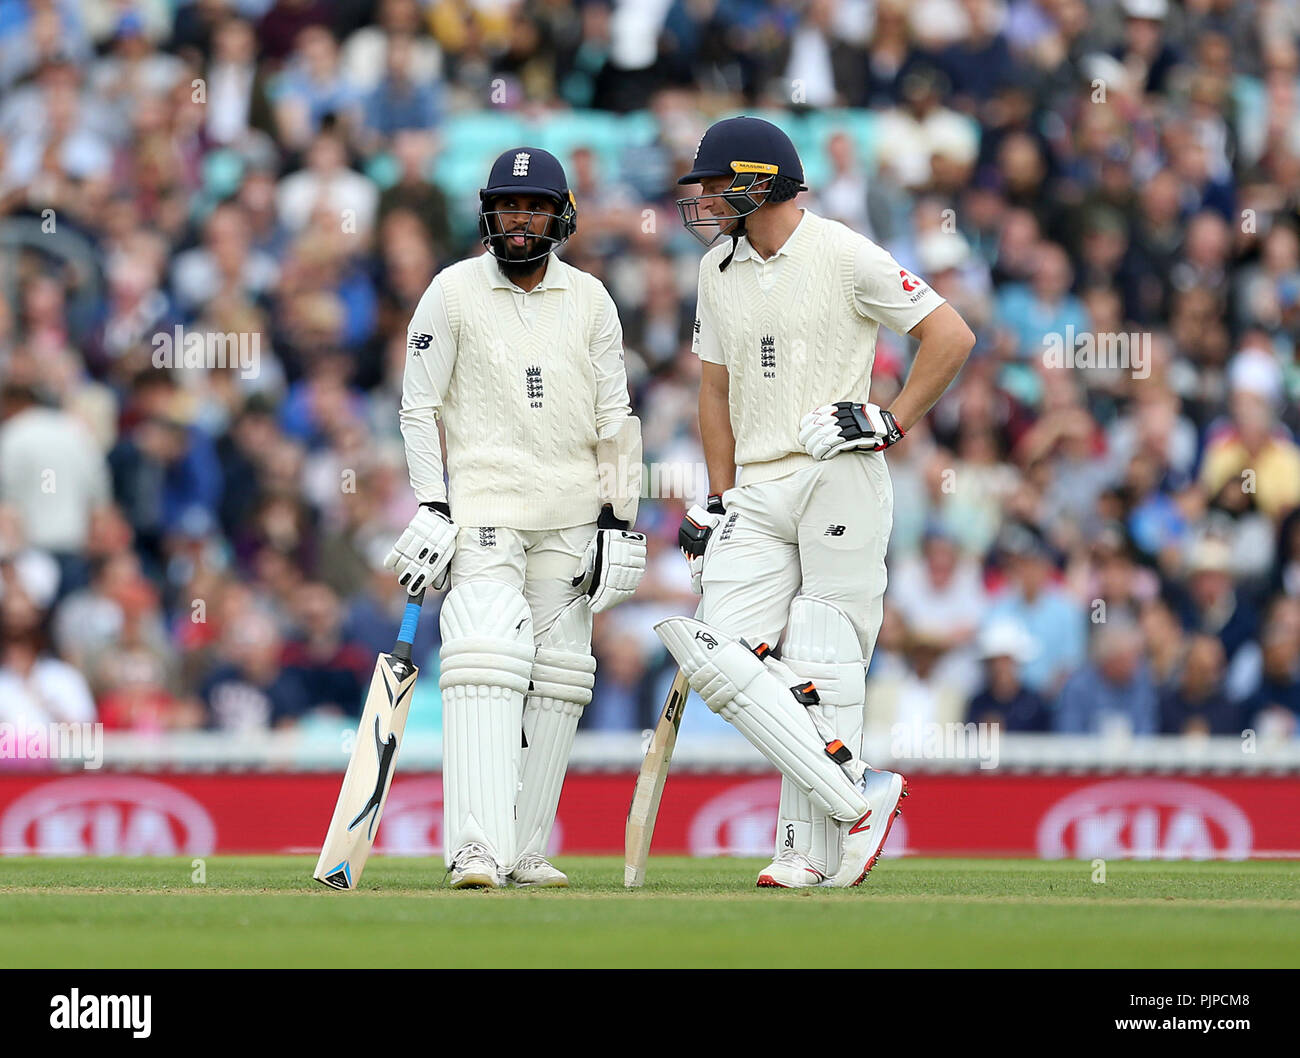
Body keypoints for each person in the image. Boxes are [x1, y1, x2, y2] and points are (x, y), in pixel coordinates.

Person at [655, 117, 974, 888]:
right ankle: (858, 796)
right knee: (719, 655)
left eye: (715, 183)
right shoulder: (716, 271)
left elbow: (951, 335)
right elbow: (715, 388)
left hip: (839, 470)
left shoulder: (842, 251)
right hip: (758, 488)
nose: (703, 201)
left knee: (824, 663)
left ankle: (805, 851)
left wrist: (892, 416)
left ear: (758, 181)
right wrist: (719, 496)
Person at [387, 147, 646, 889]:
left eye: (533, 207)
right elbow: (418, 407)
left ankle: (524, 847)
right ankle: (475, 848)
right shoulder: (451, 290)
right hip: (485, 511)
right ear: (487, 214)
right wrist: (433, 503)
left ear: (561, 213)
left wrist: (619, 520)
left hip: (570, 517)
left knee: (560, 679)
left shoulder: (592, 299)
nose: (520, 221)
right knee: (483, 661)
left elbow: (614, 416)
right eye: (507, 207)